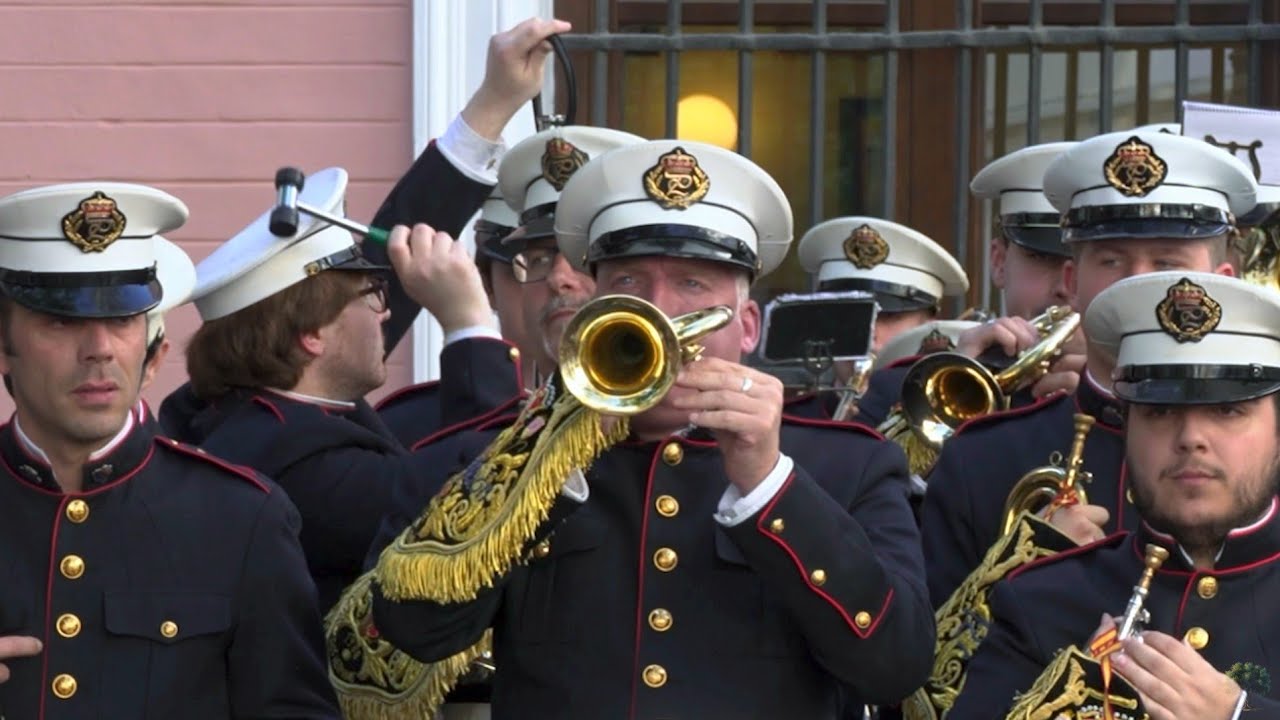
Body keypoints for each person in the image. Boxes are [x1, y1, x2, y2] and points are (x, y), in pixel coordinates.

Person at [352, 140, 933, 719]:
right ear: (595, 307)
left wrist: (768, 485)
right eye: (629, 282)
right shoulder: (502, 453)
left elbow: (894, 665)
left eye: (692, 285)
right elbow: (413, 627)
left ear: (748, 326)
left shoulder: (848, 465)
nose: (658, 311)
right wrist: (548, 454)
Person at [0, 182, 337, 717]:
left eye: (122, 319)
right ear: (4, 349)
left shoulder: (242, 518)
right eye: (61, 321)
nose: (99, 350)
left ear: (151, 351)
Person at [921, 129, 1257, 610]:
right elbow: (929, 669)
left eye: (1167, 261)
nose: (1139, 283)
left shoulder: (1268, 452)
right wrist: (1021, 570)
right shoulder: (979, 460)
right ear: (1072, 283)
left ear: (1222, 284)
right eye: (1112, 260)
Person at [950, 271, 1280, 718]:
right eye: (1160, 411)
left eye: (1227, 410)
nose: (1191, 438)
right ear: (1125, 428)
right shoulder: (1039, 599)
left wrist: (1240, 714)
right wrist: (1067, 707)